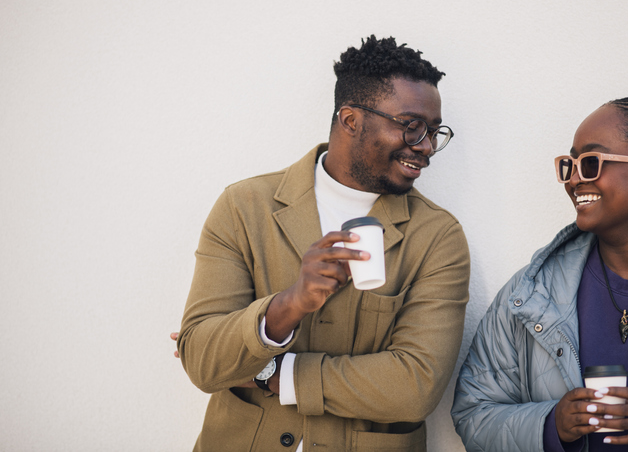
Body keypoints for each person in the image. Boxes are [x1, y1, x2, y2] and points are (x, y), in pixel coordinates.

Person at [177, 35, 470, 452]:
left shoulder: (438, 237)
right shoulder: (244, 207)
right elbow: (203, 360)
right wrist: (289, 305)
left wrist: (269, 372)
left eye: (433, 132)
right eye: (411, 127)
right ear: (350, 120)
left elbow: (416, 386)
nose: (425, 147)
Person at [451, 96, 628, 451]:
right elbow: (473, 413)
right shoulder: (530, 293)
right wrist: (551, 426)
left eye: (592, 162)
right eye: (570, 164)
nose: (574, 180)